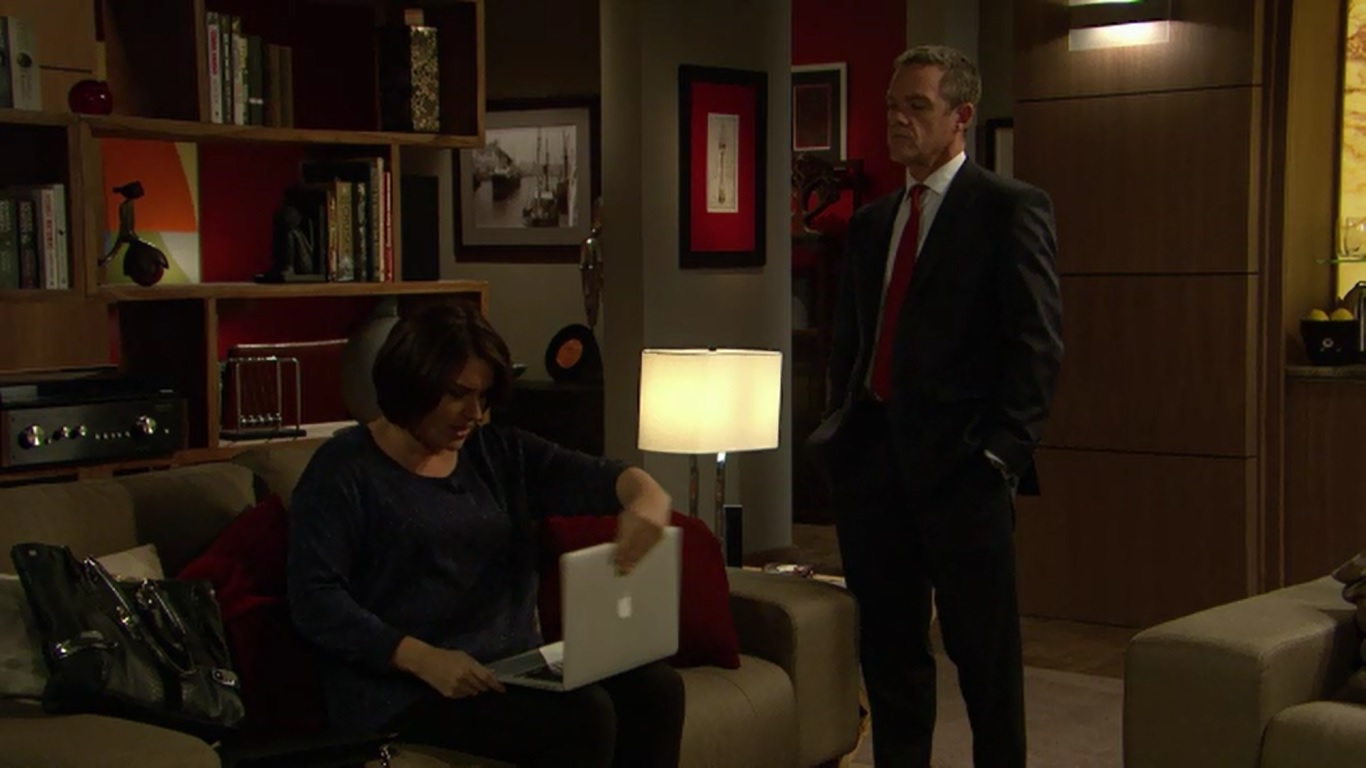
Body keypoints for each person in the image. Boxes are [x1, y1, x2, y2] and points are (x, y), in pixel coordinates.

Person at [288, 300, 685, 767]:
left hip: (507, 671)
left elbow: (603, 478)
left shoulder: (496, 453)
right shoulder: (344, 470)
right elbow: (315, 599)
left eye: (483, 396)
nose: (474, 414)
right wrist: (422, 658)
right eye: (457, 394)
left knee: (657, 690)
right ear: (412, 382)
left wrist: (646, 496)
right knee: (584, 716)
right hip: (408, 687)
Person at [807, 45, 1063, 768]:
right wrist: (840, 432)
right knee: (890, 659)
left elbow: (1037, 347)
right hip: (873, 469)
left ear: (961, 116)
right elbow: (849, 345)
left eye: (916, 106)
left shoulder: (1008, 209)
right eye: (893, 105)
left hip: (965, 470)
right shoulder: (871, 224)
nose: (898, 119)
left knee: (985, 661)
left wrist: (999, 456)